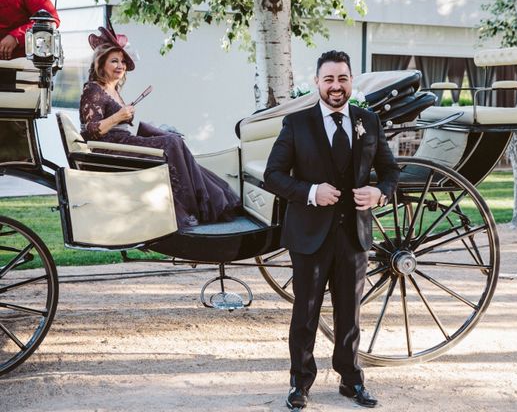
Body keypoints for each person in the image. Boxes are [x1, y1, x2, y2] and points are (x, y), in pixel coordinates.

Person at [264, 50, 400, 409]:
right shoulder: (297, 123)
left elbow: (391, 171)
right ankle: (300, 383)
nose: (336, 86)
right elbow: (273, 176)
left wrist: (380, 193)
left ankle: (351, 380)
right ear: (317, 83)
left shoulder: (368, 121)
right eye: (329, 79)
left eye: (342, 78)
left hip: (353, 235)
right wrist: (311, 192)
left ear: (351, 81)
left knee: (349, 312)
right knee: (305, 312)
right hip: (309, 235)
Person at [79, 23, 240, 229]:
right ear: (101, 64)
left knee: (175, 141)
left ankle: (211, 199)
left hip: (123, 141)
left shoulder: (113, 89)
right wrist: (118, 116)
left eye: (122, 62)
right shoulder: (93, 89)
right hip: (111, 148)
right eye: (114, 61)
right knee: (171, 143)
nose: (120, 66)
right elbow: (89, 131)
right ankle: (191, 207)